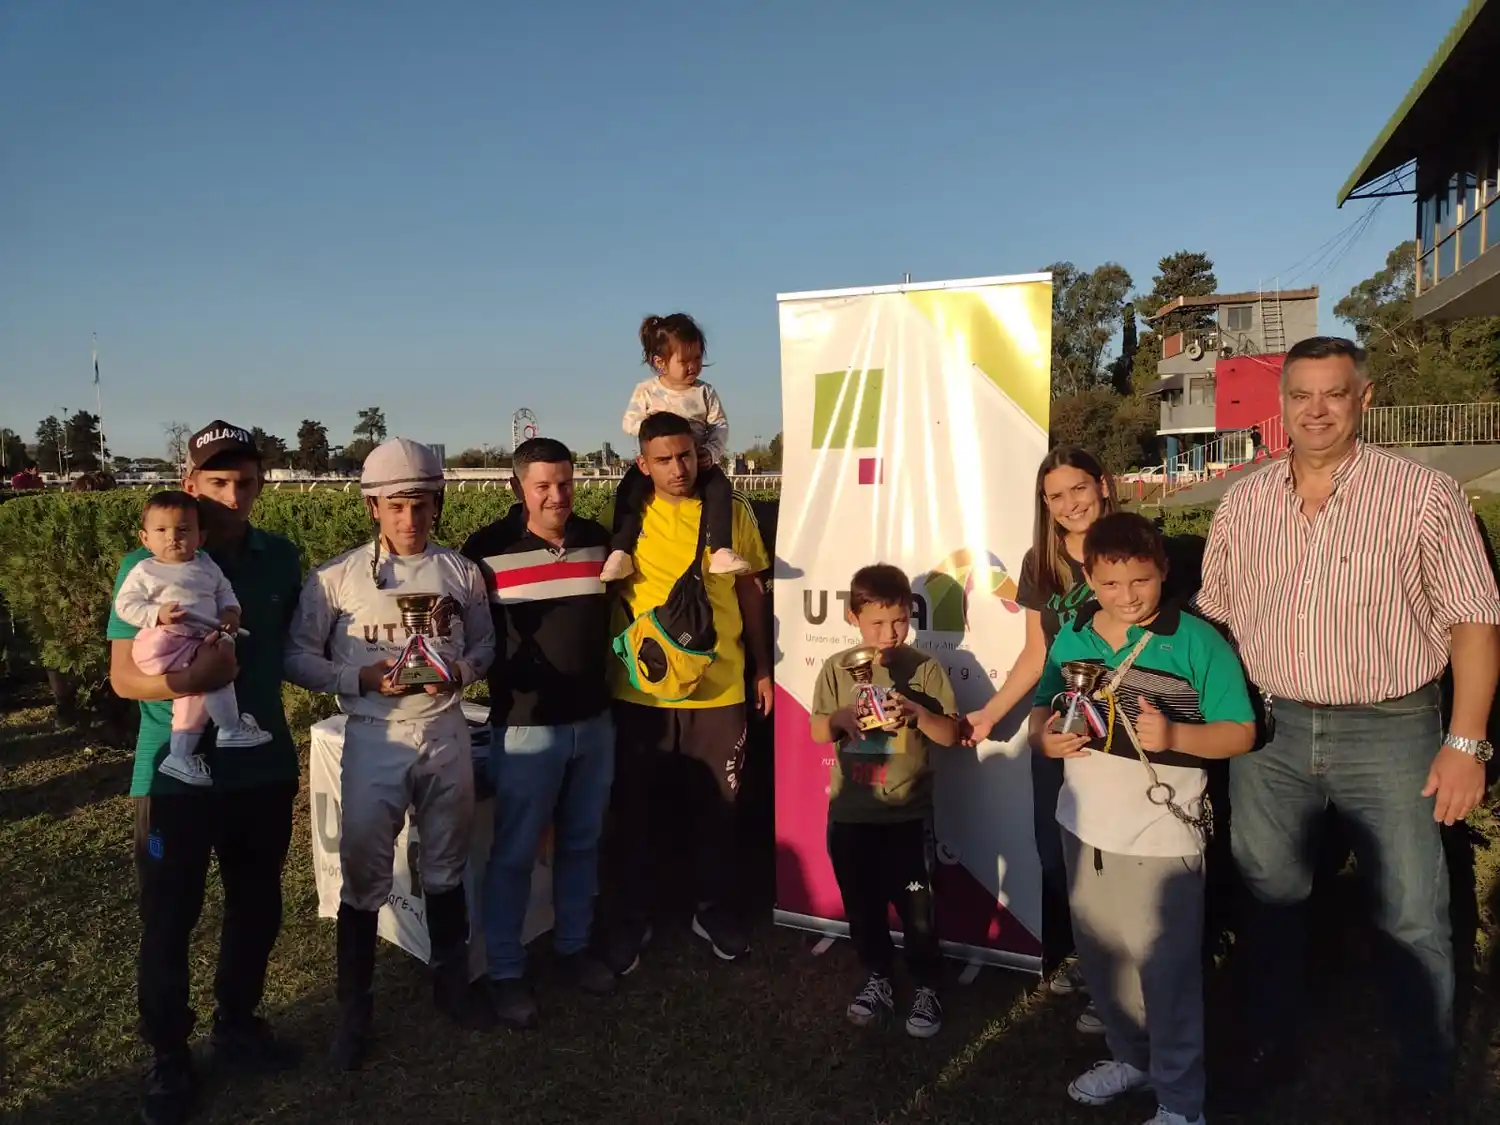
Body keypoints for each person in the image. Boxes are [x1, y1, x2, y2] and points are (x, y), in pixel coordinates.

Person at [1196, 336, 1500, 1112]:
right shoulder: (1244, 502)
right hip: (1271, 731)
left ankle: (1424, 1068)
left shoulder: (1423, 494)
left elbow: (1473, 622)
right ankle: (1270, 1041)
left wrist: (1464, 744)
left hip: (1392, 727)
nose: (1317, 410)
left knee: (1409, 907)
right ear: (1283, 405)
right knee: (1269, 895)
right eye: (1301, 395)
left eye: (1334, 393)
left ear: (1364, 397)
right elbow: (1218, 624)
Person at [106, 420, 304, 1125]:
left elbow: (300, 647)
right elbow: (126, 678)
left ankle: (238, 1022)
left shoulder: (280, 558)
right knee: (169, 916)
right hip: (172, 776)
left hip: (262, 765)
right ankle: (167, 1053)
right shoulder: (146, 560)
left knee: (256, 903)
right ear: (190, 486)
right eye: (216, 481)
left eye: (245, 481)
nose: (232, 495)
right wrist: (196, 675)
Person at [1031, 512, 1256, 1125]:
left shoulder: (1199, 641)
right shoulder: (1074, 635)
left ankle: (1183, 1104)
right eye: (1110, 585)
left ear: (1163, 572)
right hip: (1082, 828)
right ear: (1088, 577)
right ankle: (1131, 1058)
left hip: (1161, 837)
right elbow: (1041, 709)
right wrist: (1044, 738)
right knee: (1104, 965)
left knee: (1168, 977)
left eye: (1141, 582)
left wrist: (1176, 733)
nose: (1127, 598)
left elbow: (1240, 732)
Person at [964, 446, 1194, 1033]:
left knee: (1124, 857)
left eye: (1078, 490)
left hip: (1128, 731)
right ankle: (1094, 962)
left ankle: (1127, 981)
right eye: (1055, 496)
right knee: (1058, 851)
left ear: (1103, 484)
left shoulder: (1138, 544)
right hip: (1062, 724)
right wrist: (991, 713)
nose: (1069, 505)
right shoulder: (1041, 560)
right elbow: (1037, 653)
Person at [285, 437, 498, 1070]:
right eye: (397, 506)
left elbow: (485, 648)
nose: (411, 520)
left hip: (444, 730)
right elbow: (297, 656)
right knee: (364, 873)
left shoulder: (461, 572)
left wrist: (460, 670)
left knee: (446, 864)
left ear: (437, 504)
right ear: (373, 506)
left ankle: (451, 986)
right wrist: (360, 680)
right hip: (374, 735)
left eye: (423, 505)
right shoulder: (336, 577)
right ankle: (355, 1013)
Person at [602, 411, 773, 971]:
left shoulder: (732, 512)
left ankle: (712, 908)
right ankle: (633, 917)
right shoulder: (625, 515)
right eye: (664, 459)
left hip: (720, 689)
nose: (679, 469)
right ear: (642, 464)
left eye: (686, 456)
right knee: (637, 811)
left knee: (718, 810)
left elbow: (751, 595)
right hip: (640, 696)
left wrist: (760, 668)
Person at [460, 437, 617, 1030]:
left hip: (595, 722)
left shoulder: (598, 540)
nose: (557, 496)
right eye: (543, 485)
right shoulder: (487, 552)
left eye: (567, 482)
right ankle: (505, 970)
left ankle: (573, 948)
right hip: (525, 729)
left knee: (582, 843)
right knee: (515, 853)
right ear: (519, 488)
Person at [810, 564, 960, 1038]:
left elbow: (951, 735)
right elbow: (817, 732)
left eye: (899, 620)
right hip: (851, 814)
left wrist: (917, 712)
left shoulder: (925, 667)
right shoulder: (838, 668)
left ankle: (927, 984)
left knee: (918, 910)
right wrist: (840, 716)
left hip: (907, 814)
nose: (890, 633)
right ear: (854, 617)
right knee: (862, 907)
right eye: (877, 623)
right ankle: (877, 975)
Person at [114, 490, 274, 787]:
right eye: (161, 530)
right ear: (144, 538)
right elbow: (125, 606)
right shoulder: (144, 570)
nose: (172, 537)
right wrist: (157, 615)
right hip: (163, 643)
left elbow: (224, 591)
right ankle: (230, 726)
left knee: (195, 699)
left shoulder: (206, 564)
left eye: (183, 530)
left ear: (201, 537)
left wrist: (231, 613)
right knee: (216, 671)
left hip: (199, 640)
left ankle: (181, 754)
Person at [600, 313, 748, 582]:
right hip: (656, 466)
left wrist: (711, 453)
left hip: (698, 462)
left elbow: (719, 426)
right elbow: (629, 422)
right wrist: (659, 433)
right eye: (685, 361)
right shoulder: (646, 391)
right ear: (660, 363)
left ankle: (721, 550)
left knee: (720, 489)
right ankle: (620, 552)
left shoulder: (705, 392)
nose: (693, 367)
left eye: (697, 359)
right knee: (629, 492)